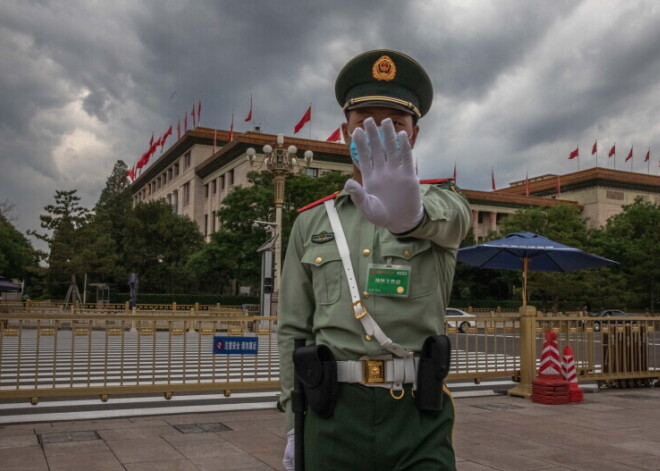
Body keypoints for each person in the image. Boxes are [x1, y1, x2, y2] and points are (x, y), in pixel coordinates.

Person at [278, 50, 471, 470]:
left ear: (414, 136)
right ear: (344, 130)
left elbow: (457, 221)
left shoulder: (443, 205)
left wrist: (413, 216)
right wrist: (292, 419)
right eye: (364, 123)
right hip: (332, 413)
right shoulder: (312, 223)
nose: (376, 134)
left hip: (418, 415)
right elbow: (294, 328)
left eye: (394, 125)